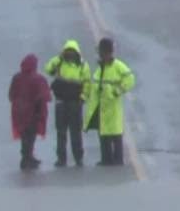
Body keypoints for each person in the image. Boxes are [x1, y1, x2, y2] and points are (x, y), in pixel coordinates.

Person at [84, 37, 136, 166]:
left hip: (112, 106)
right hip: (101, 106)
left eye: (102, 52)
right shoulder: (100, 67)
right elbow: (95, 84)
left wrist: (116, 91)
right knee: (103, 133)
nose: (100, 55)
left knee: (115, 134)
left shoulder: (118, 66)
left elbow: (130, 80)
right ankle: (106, 159)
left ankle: (118, 159)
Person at [44, 39, 91, 166]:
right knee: (61, 132)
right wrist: (58, 59)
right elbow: (48, 69)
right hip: (61, 102)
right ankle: (61, 158)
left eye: (72, 52)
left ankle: (78, 157)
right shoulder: (60, 63)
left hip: (75, 102)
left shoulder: (82, 65)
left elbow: (87, 83)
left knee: (75, 132)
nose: (70, 54)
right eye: (67, 52)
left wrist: (83, 98)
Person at [9, 54, 52, 171]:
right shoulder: (38, 79)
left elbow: (11, 95)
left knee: (24, 135)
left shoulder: (17, 78)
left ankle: (27, 157)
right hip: (33, 113)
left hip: (19, 113)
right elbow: (44, 96)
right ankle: (27, 158)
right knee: (30, 135)